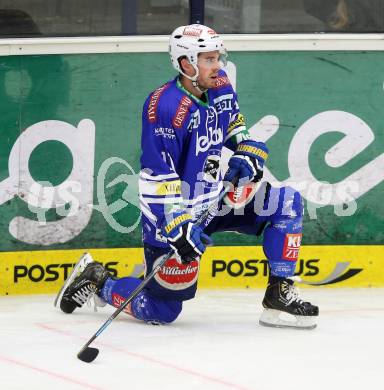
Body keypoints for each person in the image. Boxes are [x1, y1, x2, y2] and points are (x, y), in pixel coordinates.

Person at [56, 24, 318, 329]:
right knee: (161, 310)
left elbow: (233, 123)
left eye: (217, 57)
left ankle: (278, 297)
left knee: (286, 204)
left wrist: (247, 150)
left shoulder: (219, 82)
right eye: (208, 59)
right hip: (173, 215)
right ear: (185, 63)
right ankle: (99, 280)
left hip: (214, 199)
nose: (217, 65)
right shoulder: (164, 107)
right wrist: (178, 227)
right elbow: (157, 176)